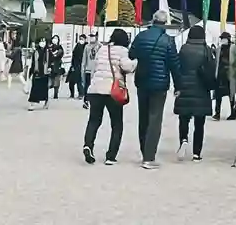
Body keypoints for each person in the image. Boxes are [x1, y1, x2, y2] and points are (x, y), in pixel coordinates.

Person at [128, 9, 179, 169]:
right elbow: (174, 64)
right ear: (165, 23)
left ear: (152, 20)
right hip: (159, 84)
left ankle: (144, 151)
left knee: (143, 118)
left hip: (142, 81)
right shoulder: (168, 40)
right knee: (155, 119)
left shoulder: (141, 36)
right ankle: (149, 157)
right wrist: (178, 86)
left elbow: (131, 54)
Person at [83, 28, 136, 166]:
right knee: (117, 124)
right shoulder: (122, 51)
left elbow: (95, 68)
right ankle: (110, 156)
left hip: (95, 89)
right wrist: (136, 61)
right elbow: (128, 67)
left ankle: (88, 145)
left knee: (94, 120)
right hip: (112, 91)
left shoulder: (102, 49)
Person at [173, 24, 215, 161]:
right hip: (201, 90)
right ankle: (196, 153)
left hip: (184, 88)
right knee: (199, 123)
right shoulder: (206, 50)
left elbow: (177, 68)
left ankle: (183, 140)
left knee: (183, 119)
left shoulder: (183, 49)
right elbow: (211, 69)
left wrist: (177, 86)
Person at [212, 31, 236, 121]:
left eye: (224, 38)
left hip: (230, 75)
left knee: (232, 95)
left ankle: (233, 113)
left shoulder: (233, 48)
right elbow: (216, 60)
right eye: (222, 38)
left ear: (228, 39)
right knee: (218, 95)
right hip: (220, 75)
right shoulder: (219, 48)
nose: (222, 40)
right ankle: (217, 113)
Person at [27, 38, 51, 110]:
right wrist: (31, 72)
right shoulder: (36, 51)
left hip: (45, 72)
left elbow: (51, 61)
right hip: (37, 72)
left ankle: (46, 102)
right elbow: (33, 63)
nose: (42, 43)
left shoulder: (48, 51)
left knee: (44, 89)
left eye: (44, 41)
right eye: (41, 41)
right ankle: (32, 104)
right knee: (34, 88)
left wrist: (50, 67)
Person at [82, 33, 99, 109]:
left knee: (95, 87)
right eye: (90, 36)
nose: (91, 38)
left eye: (93, 36)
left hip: (96, 71)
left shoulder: (100, 46)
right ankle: (86, 101)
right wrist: (83, 69)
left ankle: (94, 102)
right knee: (87, 86)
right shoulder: (87, 46)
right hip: (88, 70)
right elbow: (84, 59)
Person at [47, 35, 66, 100]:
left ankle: (56, 94)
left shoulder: (60, 47)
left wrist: (56, 54)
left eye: (56, 38)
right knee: (50, 81)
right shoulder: (49, 47)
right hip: (50, 66)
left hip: (58, 66)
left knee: (57, 81)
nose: (55, 40)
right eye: (54, 38)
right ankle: (46, 93)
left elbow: (60, 54)